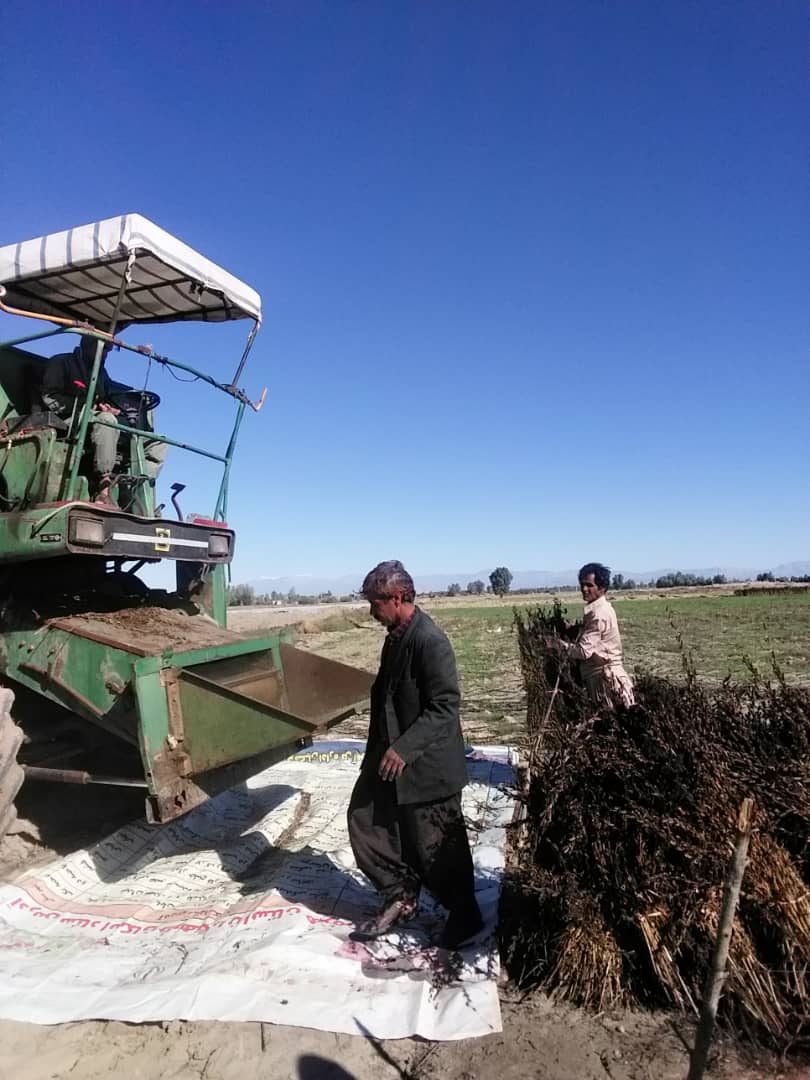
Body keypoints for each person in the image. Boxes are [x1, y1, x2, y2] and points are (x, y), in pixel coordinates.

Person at [347, 560, 483, 949]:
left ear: (398, 597)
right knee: (366, 818)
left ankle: (465, 916)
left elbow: (445, 706)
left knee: (436, 847)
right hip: (390, 760)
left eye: (376, 602)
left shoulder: (429, 640)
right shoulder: (395, 635)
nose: (372, 610)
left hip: (427, 767)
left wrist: (404, 748)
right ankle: (400, 894)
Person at [40, 334, 165, 507]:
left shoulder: (101, 372)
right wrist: (89, 408)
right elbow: (50, 397)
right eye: (103, 348)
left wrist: (108, 406)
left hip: (95, 418)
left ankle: (134, 488)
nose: (106, 354)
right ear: (89, 344)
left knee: (158, 442)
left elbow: (103, 399)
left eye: (108, 350)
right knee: (107, 421)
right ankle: (104, 486)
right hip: (68, 419)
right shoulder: (61, 363)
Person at [559, 562, 635, 707]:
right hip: (612, 678)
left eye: (589, 585)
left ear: (602, 588)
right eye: (582, 584)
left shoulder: (598, 614)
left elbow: (583, 651)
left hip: (606, 682)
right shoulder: (603, 608)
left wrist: (558, 644)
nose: (584, 589)